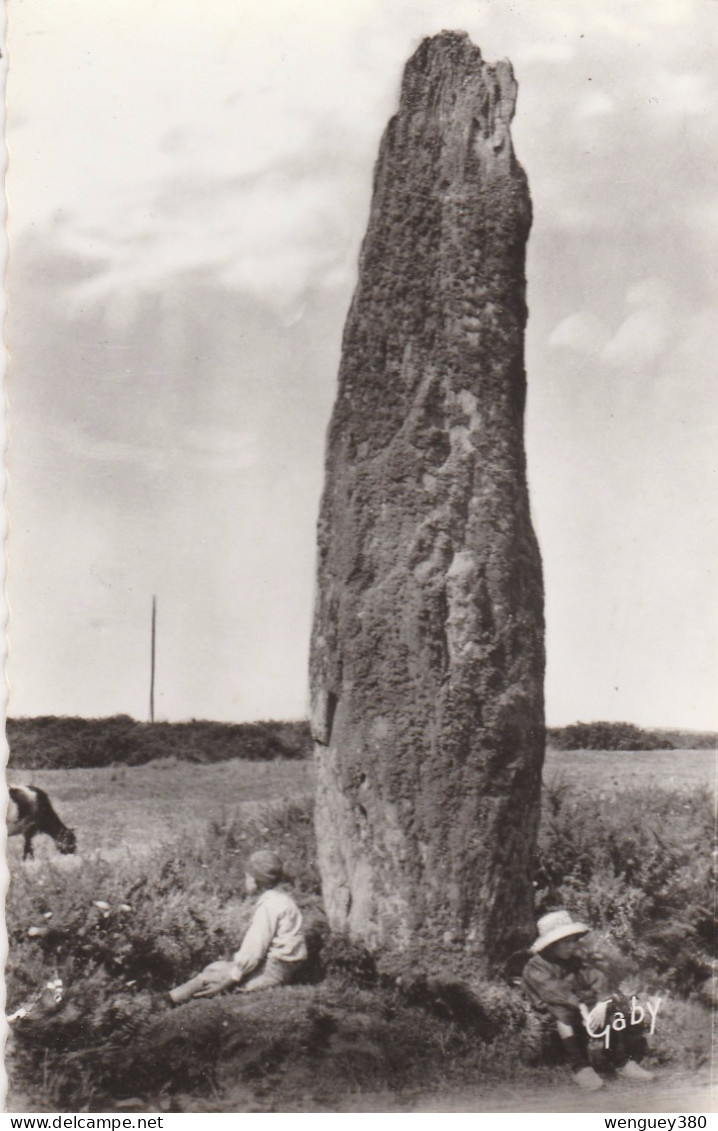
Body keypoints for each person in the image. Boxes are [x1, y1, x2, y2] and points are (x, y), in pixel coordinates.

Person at [522, 910, 654, 1091]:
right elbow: (554, 992)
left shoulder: (573, 961)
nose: (571, 947)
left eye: (573, 942)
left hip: (578, 1003)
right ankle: (581, 1067)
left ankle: (620, 1062)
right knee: (563, 1014)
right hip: (550, 1007)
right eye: (565, 943)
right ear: (551, 945)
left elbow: (596, 977)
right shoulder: (536, 965)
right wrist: (582, 1008)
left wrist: (601, 1002)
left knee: (607, 1009)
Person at [169, 849, 308, 1004]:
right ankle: (175, 998)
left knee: (212, 977)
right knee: (216, 967)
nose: (245, 881)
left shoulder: (269, 907)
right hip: (285, 968)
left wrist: (231, 978)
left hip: (272, 972)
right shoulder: (283, 900)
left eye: (247, 877)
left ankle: (168, 1000)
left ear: (256, 881)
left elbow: (254, 950)